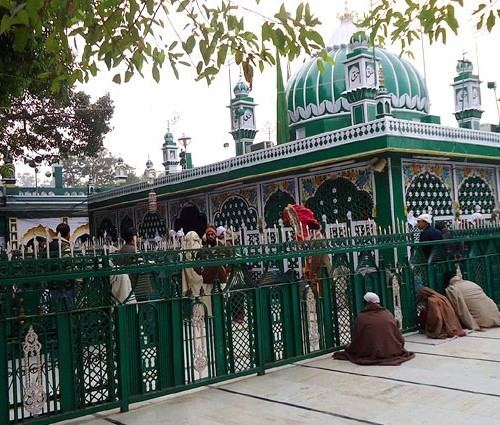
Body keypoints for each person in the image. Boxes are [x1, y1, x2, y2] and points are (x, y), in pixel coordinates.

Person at [333, 292, 415, 365]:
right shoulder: (387, 314)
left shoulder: (362, 317)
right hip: (392, 350)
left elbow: (357, 339)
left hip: (369, 351)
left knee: (349, 348)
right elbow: (398, 336)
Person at [48, 223, 74, 309]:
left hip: (52, 282)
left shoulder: (49, 245)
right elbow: (69, 263)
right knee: (68, 309)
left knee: (55, 308)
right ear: (68, 234)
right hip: (66, 284)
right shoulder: (65, 245)